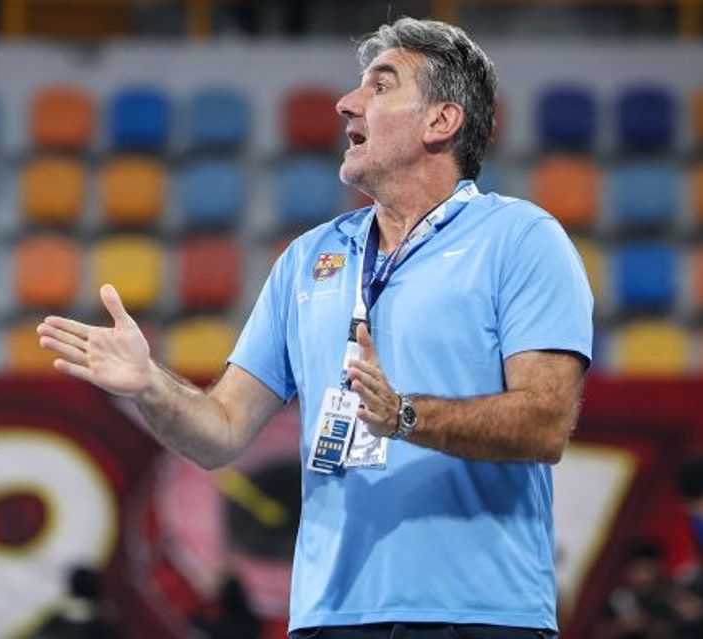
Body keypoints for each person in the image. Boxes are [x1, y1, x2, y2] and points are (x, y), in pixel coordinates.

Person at [38, 17, 592, 639]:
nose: (346, 103)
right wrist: (150, 385)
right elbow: (219, 433)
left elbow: (546, 422)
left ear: (441, 120)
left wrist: (405, 416)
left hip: (476, 613)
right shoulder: (308, 258)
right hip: (329, 617)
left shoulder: (519, 239)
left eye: (381, 86)